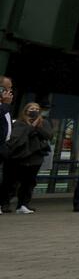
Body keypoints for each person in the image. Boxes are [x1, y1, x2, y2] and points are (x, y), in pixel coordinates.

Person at [6, 102, 53, 213]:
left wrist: (37, 126)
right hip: (20, 156)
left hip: (35, 156)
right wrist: (31, 127)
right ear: (26, 110)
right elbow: (17, 137)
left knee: (29, 182)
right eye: (32, 109)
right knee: (12, 181)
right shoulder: (19, 123)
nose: (34, 111)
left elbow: (48, 136)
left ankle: (23, 204)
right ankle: (4, 203)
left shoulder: (44, 122)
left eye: (37, 109)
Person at [0, 77, 15, 214]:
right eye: (6, 88)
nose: (9, 91)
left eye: (10, 88)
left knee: (7, 177)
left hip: (5, 146)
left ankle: (4, 203)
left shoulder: (6, 107)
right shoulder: (4, 106)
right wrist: (5, 105)